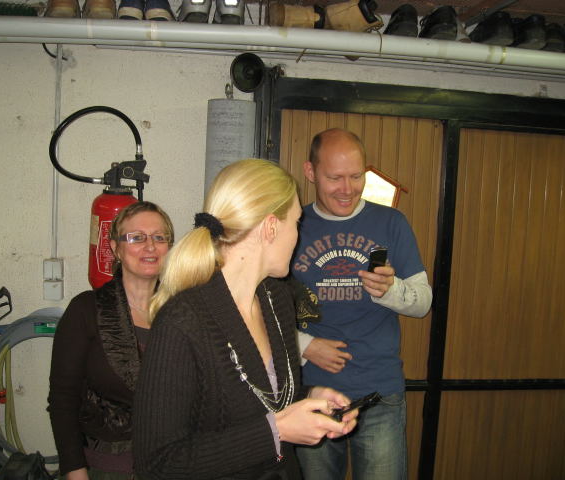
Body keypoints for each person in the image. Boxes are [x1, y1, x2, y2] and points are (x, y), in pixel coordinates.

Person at [133, 159, 358, 480]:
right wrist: (277, 431)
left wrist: (311, 399)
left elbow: (265, 398)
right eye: (296, 223)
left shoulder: (277, 299)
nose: (298, 236)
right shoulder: (182, 321)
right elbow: (157, 463)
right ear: (270, 227)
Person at [292, 128, 433, 480]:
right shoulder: (292, 226)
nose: (347, 189)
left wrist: (390, 290)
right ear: (310, 172)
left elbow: (423, 303)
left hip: (379, 392)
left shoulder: (391, 222)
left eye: (356, 176)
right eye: (335, 177)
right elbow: (260, 312)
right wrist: (305, 346)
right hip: (311, 394)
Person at [48, 201, 174, 480]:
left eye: (159, 237)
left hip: (172, 463)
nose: (150, 246)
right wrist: (74, 471)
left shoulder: (181, 311)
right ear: (116, 248)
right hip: (108, 468)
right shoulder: (86, 310)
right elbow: (62, 399)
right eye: (137, 237)